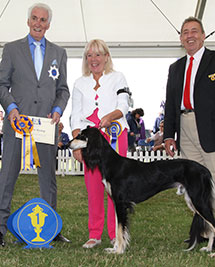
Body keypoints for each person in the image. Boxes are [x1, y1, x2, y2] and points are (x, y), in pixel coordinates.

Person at [0, 3, 70, 246]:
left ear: (48, 24)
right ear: (28, 21)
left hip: (46, 125)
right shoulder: (12, 49)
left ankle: (51, 228)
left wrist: (57, 110)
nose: (38, 23)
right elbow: (1, 85)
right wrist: (12, 108)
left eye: (43, 20)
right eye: (34, 18)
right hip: (18, 123)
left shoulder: (59, 53)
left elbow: (63, 90)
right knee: (6, 177)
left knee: (49, 180)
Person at [163, 17, 215, 249]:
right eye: (185, 32)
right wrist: (169, 135)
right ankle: (207, 231)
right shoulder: (175, 68)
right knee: (195, 184)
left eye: (194, 31)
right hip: (185, 127)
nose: (190, 36)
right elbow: (170, 104)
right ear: (180, 38)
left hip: (214, 129)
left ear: (203, 35)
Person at [70, 39, 130, 248]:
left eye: (98, 54)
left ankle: (116, 234)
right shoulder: (79, 83)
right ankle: (95, 233)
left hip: (114, 135)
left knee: (116, 188)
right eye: (90, 55)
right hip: (89, 141)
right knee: (93, 186)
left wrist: (110, 117)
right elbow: (75, 114)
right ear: (86, 59)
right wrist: (77, 142)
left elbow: (124, 105)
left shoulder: (118, 77)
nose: (94, 59)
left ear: (106, 56)